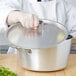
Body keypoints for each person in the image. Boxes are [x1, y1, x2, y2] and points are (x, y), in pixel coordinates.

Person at [0, 0, 76, 54]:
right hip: (21, 57)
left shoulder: (63, 5)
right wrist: (17, 15)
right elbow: (2, 11)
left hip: (55, 58)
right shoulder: (19, 1)